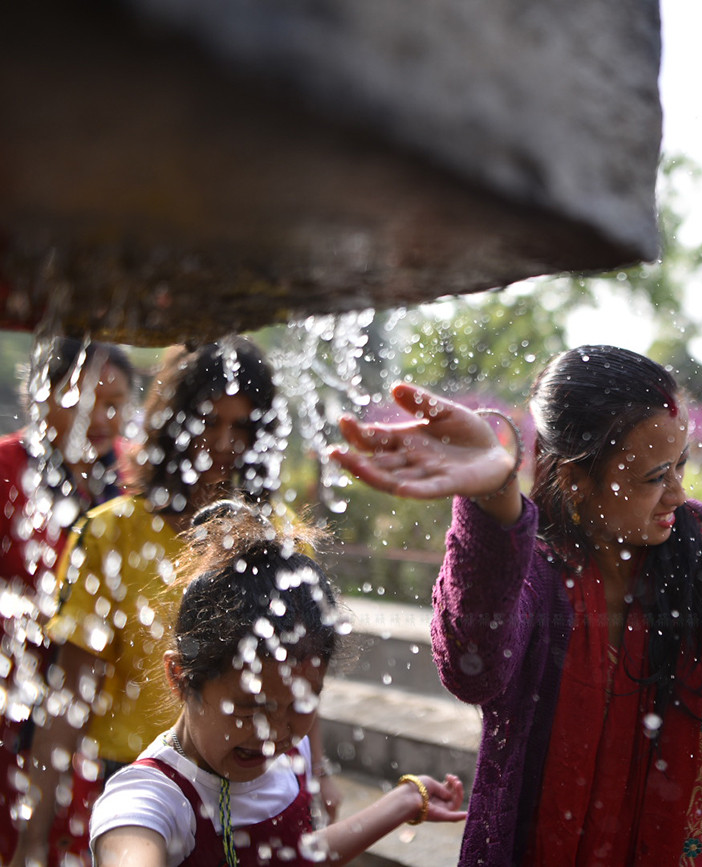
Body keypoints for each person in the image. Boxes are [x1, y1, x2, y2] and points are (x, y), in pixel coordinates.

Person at [329, 345, 702, 867]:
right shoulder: (532, 571)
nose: (678, 493)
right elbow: (472, 670)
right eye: (654, 477)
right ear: (573, 477)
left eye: (680, 465)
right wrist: (492, 501)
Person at [13, 337, 343, 867]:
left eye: (242, 427)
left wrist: (319, 771)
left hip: (256, 777)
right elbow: (69, 696)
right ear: (173, 423)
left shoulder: (279, 538)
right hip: (136, 782)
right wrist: (34, 833)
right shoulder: (112, 533)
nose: (223, 443)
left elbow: (298, 679)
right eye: (210, 423)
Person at [88, 500, 466, 867]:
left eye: (301, 704)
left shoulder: (288, 755)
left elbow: (301, 853)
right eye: (250, 708)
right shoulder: (153, 799)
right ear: (180, 677)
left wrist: (403, 801)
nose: (273, 734)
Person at [1, 338, 135, 865]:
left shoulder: (135, 477)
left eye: (114, 403)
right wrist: (23, 608)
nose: (100, 418)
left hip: (104, 705)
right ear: (42, 397)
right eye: (82, 402)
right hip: (19, 697)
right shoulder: (8, 467)